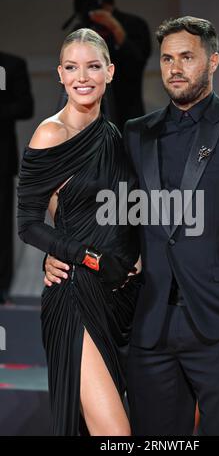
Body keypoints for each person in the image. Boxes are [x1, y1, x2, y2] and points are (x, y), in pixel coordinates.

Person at [45, 17, 219, 436]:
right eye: (168, 58)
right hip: (151, 323)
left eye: (187, 57)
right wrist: (58, 249)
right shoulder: (136, 133)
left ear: (212, 61)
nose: (175, 67)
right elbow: (105, 210)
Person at [17, 28, 141, 436]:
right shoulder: (51, 134)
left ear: (110, 71)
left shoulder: (113, 136)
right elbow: (29, 223)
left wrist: (135, 256)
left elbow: (121, 212)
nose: (81, 76)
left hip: (121, 299)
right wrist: (85, 256)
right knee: (116, 436)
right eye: (71, 67)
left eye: (92, 66)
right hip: (75, 294)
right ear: (59, 74)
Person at [76, 0, 151, 130]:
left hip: (127, 114)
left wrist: (115, 27)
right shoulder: (82, 29)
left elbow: (137, 61)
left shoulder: (134, 25)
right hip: (89, 120)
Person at [0, 51, 34, 304]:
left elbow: (25, 106)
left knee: (1, 227)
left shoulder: (12, 63)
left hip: (1, 158)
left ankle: (1, 289)